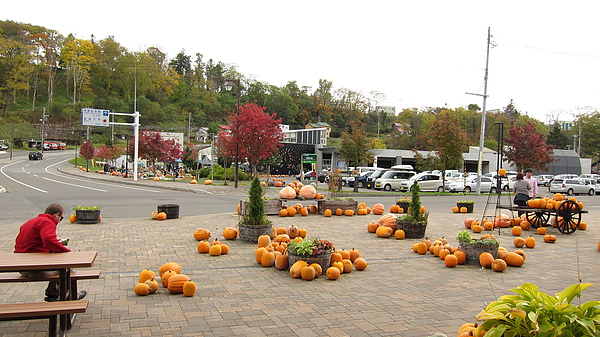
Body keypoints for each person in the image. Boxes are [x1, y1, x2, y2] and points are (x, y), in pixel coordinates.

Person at [14, 203, 87, 302]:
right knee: (66, 267)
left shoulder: (31, 222)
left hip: (22, 264)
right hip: (33, 269)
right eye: (61, 218)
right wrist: (66, 251)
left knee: (59, 264)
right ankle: (72, 296)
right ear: (56, 215)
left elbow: (36, 242)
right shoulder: (48, 222)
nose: (60, 221)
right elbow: (48, 240)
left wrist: (57, 244)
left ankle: (53, 293)